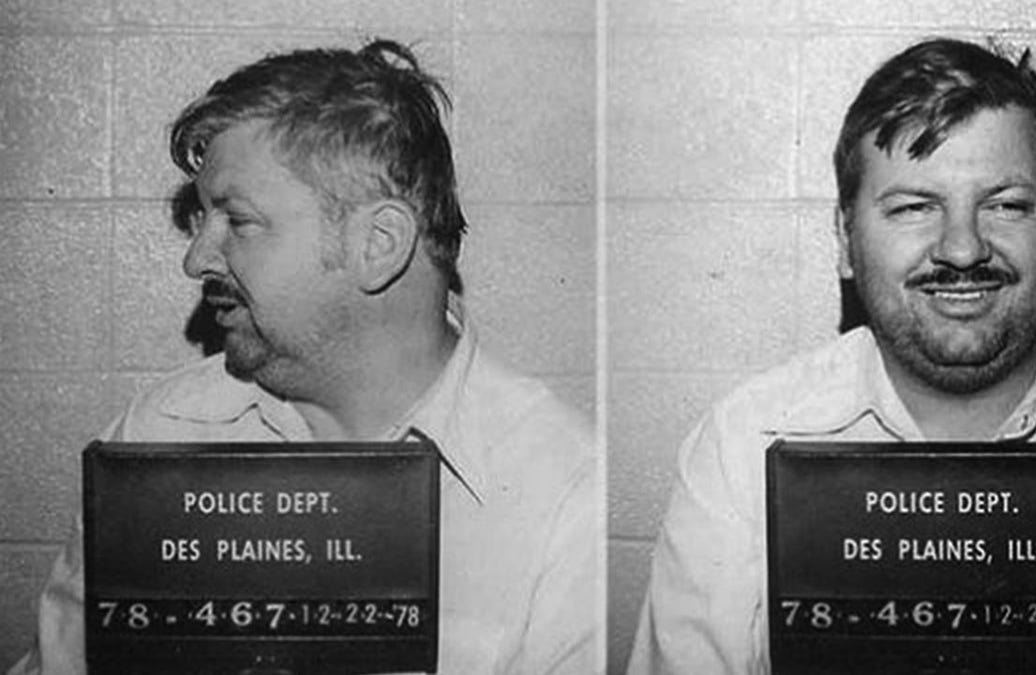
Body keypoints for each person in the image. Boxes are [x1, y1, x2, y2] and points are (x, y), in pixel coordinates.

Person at [9, 40, 597, 675]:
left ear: (378, 244)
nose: (195, 259)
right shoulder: (161, 432)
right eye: (201, 219)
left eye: (238, 220)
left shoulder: (563, 491)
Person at [627, 37, 1036, 675]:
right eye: (913, 208)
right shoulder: (738, 450)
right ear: (846, 242)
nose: (961, 249)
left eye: (1006, 205)